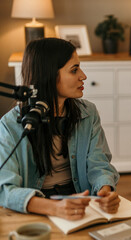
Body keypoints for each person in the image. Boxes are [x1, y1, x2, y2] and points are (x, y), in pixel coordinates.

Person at [0, 38, 120, 220]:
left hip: (81, 200)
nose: (83, 76)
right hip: (37, 206)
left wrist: (105, 190)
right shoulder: (10, 125)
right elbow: (4, 189)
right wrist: (54, 208)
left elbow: (99, 163)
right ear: (48, 75)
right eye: (74, 70)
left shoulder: (88, 113)